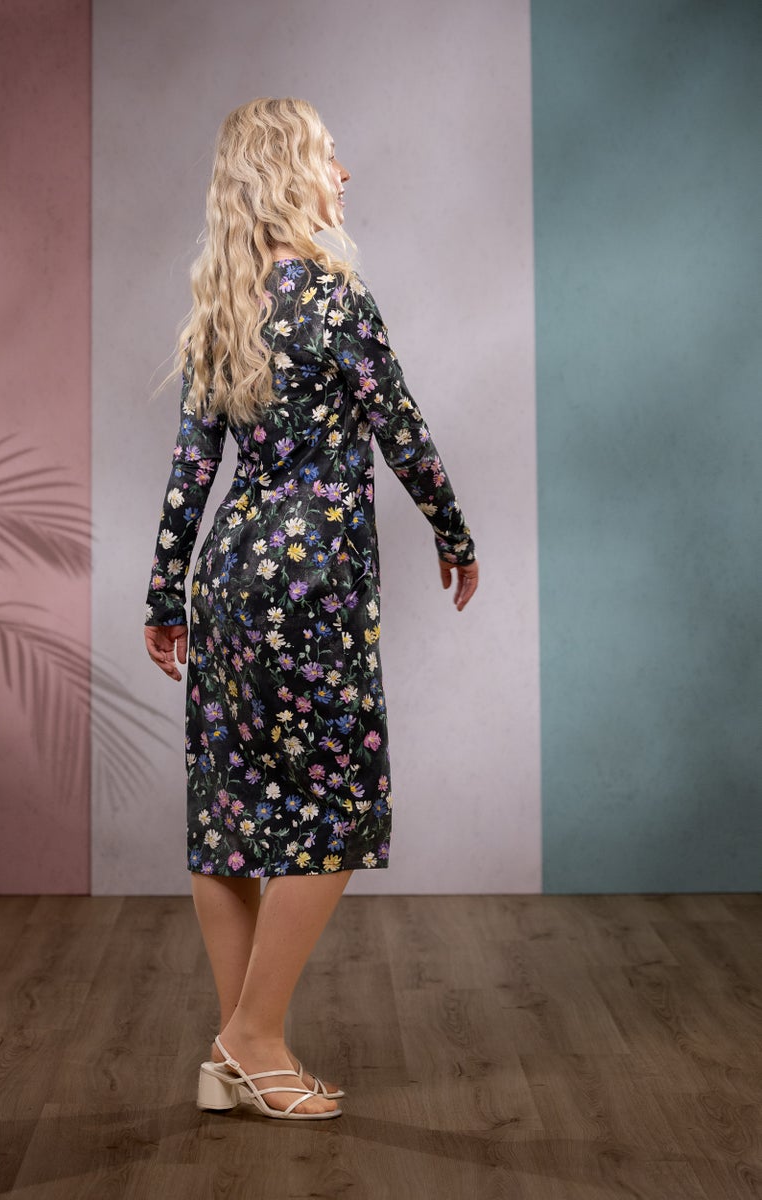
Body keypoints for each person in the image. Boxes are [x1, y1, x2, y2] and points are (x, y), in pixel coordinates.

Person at [143, 97, 479, 1121]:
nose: (345, 174)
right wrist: (453, 531)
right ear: (290, 173)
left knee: (233, 808)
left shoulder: (227, 306)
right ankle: (254, 1037)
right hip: (314, 581)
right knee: (339, 803)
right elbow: (401, 429)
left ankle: (235, 1057)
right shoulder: (335, 298)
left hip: (229, 575)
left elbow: (193, 467)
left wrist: (164, 593)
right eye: (331, 157)